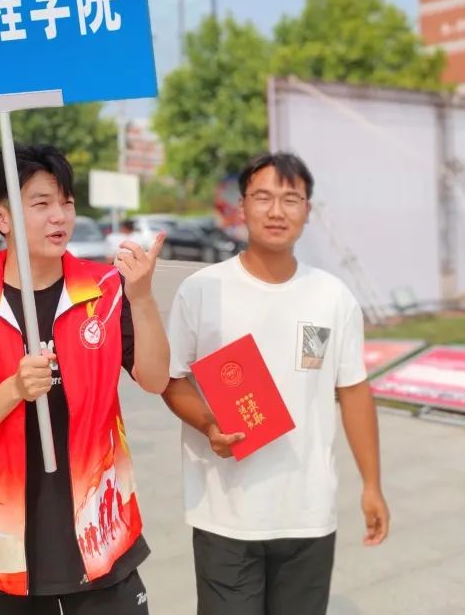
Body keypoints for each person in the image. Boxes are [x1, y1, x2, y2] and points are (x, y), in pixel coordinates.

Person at [0, 144, 170, 613]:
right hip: (6, 550)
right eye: (40, 203)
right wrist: (14, 390)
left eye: (67, 202)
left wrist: (141, 298)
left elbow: (155, 378)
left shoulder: (104, 291)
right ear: (0, 217)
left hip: (102, 537)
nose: (59, 216)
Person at [162, 151, 390, 615]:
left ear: (308, 210)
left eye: (291, 199)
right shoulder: (202, 290)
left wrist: (371, 484)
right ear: (241, 206)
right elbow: (172, 379)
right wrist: (208, 424)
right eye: (262, 197)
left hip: (307, 513)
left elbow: (353, 391)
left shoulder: (333, 297)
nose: (276, 210)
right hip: (225, 514)